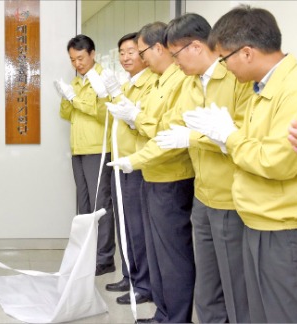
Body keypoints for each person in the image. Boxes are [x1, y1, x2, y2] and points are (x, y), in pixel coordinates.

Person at [184, 6, 297, 323]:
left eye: (225, 59)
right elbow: (255, 148)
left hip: (284, 227)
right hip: (257, 219)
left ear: (247, 53)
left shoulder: (296, 89)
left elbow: (278, 162)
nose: (225, 69)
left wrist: (230, 138)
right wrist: (231, 138)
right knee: (259, 315)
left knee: (286, 315)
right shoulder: (261, 89)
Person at [148, 13, 253, 322]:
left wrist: (196, 137)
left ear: (195, 46)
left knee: (235, 289)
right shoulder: (193, 83)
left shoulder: (234, 79)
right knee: (206, 291)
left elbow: (242, 136)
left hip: (229, 199)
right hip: (202, 195)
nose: (175, 62)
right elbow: (173, 125)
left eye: (176, 53)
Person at [107, 22, 194, 323]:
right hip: (153, 172)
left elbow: (164, 131)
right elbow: (153, 124)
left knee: (172, 256)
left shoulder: (180, 81)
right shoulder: (160, 80)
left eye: (140, 51)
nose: (139, 58)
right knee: (158, 253)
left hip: (171, 175)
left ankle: (176, 317)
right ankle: (163, 313)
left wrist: (136, 154)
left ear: (159, 48)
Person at [54, 34, 116, 276]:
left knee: (101, 205)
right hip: (78, 149)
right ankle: (88, 253)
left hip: (97, 149)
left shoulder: (103, 80)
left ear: (92, 54)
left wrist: (75, 101)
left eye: (80, 58)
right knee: (84, 206)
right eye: (72, 60)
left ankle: (105, 258)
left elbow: (104, 115)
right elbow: (66, 114)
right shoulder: (77, 81)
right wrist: (67, 97)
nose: (77, 64)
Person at [103, 32, 156, 306]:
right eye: (121, 52)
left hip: (137, 162)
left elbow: (144, 123)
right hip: (120, 160)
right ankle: (129, 274)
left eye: (131, 51)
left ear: (145, 54)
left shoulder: (150, 84)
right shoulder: (129, 84)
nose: (125, 57)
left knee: (136, 226)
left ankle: (143, 283)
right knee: (124, 223)